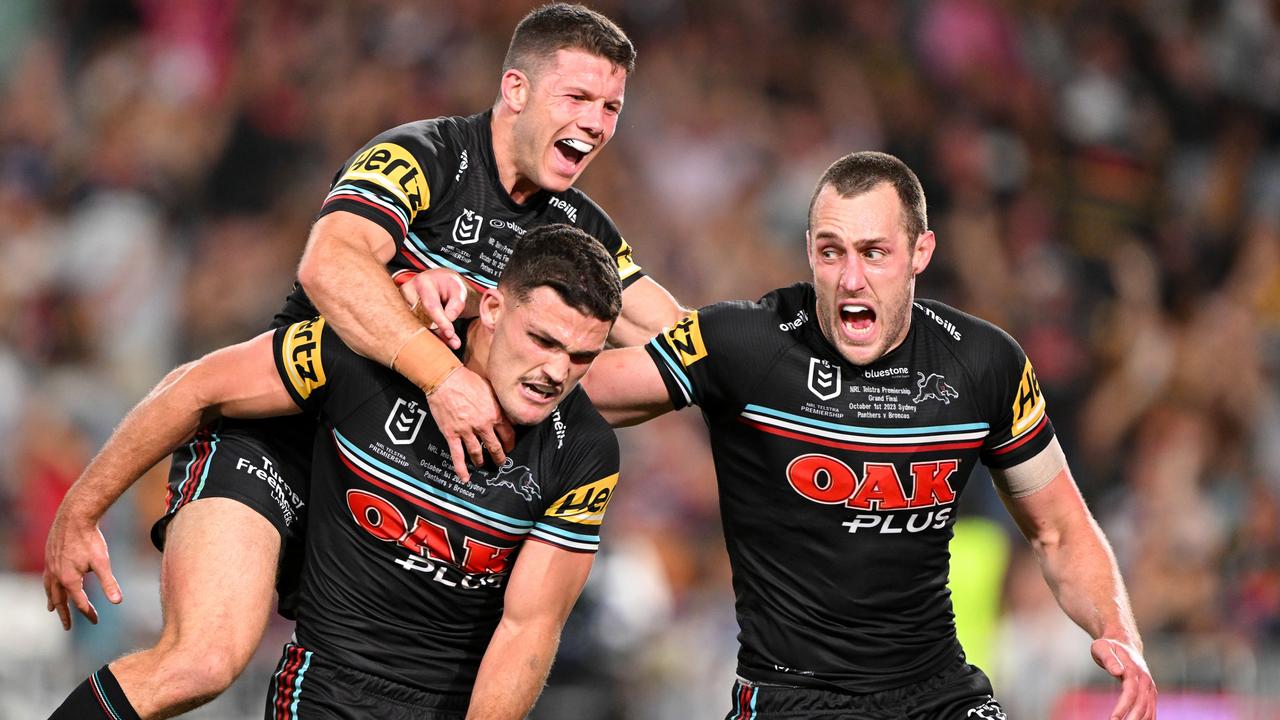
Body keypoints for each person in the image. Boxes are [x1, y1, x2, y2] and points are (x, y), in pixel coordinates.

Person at [43, 4, 683, 719]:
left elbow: (678, 344)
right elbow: (330, 262)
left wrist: (795, 361)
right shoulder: (425, 156)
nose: (595, 122)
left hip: (396, 471)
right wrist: (441, 374)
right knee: (204, 658)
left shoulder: (580, 235)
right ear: (515, 91)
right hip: (283, 436)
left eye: (612, 107)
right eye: (578, 98)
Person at [580, 151, 1158, 719]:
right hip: (791, 701)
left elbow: (1060, 530)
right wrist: (490, 368)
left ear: (919, 253)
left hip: (939, 695)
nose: (851, 279)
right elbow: (568, 390)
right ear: (809, 252)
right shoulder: (744, 343)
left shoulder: (984, 364)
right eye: (832, 253)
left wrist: (1120, 633)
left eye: (874, 253)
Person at [51, 225, 624, 719]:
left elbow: (529, 629)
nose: (554, 371)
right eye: (543, 340)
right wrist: (80, 511)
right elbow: (199, 386)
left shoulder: (586, 452)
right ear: (494, 309)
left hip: (447, 704)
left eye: (580, 358)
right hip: (327, 687)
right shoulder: (372, 352)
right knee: (199, 661)